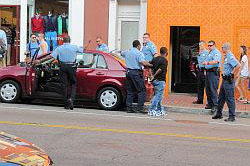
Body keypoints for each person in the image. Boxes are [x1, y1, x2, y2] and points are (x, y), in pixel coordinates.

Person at [36, 36, 84, 110]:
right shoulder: (74, 47)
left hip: (63, 66)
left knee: (64, 85)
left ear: (63, 41)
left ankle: (66, 104)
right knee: (73, 84)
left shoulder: (59, 48)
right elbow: (83, 50)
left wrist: (40, 61)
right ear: (70, 40)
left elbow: (50, 57)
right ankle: (71, 99)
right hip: (71, 66)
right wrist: (88, 43)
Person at [212, 42, 240, 122]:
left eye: (222, 47)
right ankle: (219, 114)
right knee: (221, 98)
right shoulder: (227, 56)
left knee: (230, 98)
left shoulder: (230, 56)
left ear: (225, 48)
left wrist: (231, 73)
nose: (221, 49)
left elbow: (238, 65)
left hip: (228, 80)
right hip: (224, 80)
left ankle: (232, 116)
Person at [123, 40, 152, 113]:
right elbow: (142, 62)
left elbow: (121, 53)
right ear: (138, 46)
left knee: (130, 91)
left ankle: (129, 108)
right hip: (136, 73)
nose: (140, 47)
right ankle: (140, 108)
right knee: (142, 90)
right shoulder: (139, 53)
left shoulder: (127, 52)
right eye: (140, 46)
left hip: (128, 72)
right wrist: (150, 65)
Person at [203, 41, 222, 114]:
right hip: (208, 72)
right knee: (207, 89)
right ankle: (210, 104)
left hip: (213, 73)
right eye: (208, 45)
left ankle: (215, 105)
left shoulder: (216, 52)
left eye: (210, 45)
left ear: (214, 45)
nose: (209, 47)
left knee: (213, 89)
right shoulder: (209, 52)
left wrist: (207, 63)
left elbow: (216, 61)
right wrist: (205, 68)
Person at [148, 47, 168, 116]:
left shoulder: (155, 59)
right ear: (166, 53)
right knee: (158, 95)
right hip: (160, 80)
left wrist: (151, 75)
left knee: (158, 95)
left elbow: (150, 66)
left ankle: (159, 110)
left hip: (154, 80)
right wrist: (154, 76)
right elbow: (160, 69)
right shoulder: (164, 60)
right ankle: (152, 109)